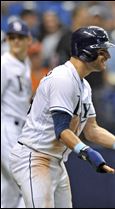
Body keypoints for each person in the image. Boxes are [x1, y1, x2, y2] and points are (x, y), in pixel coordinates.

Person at [9, 26, 115, 208]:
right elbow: (62, 129)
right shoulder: (62, 78)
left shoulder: (83, 85)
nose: (108, 57)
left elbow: (92, 130)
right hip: (34, 157)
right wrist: (88, 153)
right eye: (102, 51)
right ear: (86, 52)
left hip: (54, 160)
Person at [1, 19, 32, 208]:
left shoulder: (24, 62)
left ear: (29, 40)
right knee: (26, 181)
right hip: (6, 127)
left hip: (19, 129)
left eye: (20, 37)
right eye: (12, 38)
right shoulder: (4, 64)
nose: (16, 42)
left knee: (9, 187)